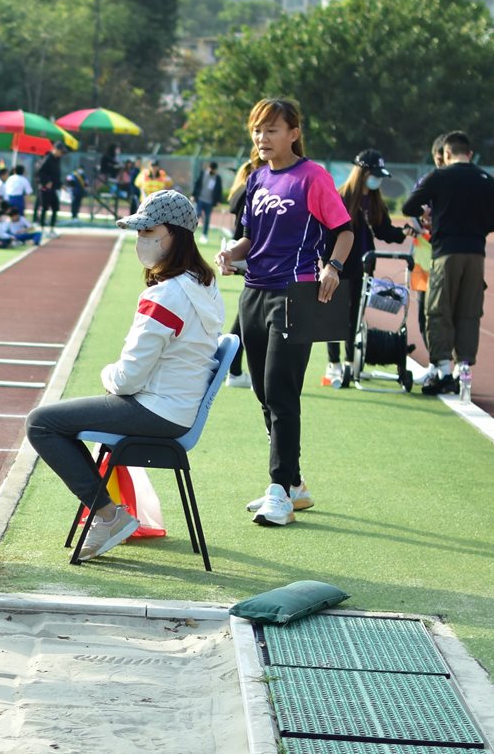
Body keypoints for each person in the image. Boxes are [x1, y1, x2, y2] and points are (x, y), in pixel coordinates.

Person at [26, 189, 223, 560]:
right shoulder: (206, 285)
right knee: (61, 418)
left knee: (41, 423)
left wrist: (107, 374)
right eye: (139, 232)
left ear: (176, 235)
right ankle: (107, 514)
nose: (141, 240)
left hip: (156, 410)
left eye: (149, 232)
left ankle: (108, 516)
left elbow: (126, 380)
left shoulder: (164, 297)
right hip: (180, 408)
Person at [215, 98, 354, 527]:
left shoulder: (313, 177)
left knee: (281, 393)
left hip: (295, 295)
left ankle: (279, 491)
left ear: (293, 134)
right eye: (258, 130)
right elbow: (249, 239)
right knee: (263, 393)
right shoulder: (256, 178)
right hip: (253, 294)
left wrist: (334, 267)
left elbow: (344, 231)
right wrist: (230, 254)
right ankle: (294, 484)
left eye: (272, 129)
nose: (262, 137)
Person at [401, 131, 494, 396]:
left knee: (438, 310)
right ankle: (463, 370)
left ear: (446, 153)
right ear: (470, 153)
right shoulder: (488, 180)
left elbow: (409, 206)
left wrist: (426, 212)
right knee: (469, 312)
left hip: (446, 252)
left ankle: (443, 371)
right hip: (476, 254)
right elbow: (492, 223)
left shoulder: (439, 176)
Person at [324, 150, 411, 388]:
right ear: (362, 173)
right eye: (375, 175)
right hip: (338, 265)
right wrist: (327, 264)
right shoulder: (340, 197)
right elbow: (328, 233)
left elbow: (384, 230)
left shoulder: (374, 201)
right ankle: (334, 364)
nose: (378, 180)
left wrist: (403, 232)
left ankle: (350, 361)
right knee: (334, 315)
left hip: (364, 267)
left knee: (355, 315)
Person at [220, 151, 269, 387]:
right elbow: (244, 232)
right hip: (253, 257)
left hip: (249, 256)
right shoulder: (254, 188)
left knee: (246, 314)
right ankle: (233, 369)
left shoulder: (243, 186)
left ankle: (233, 369)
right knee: (247, 317)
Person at [34, 149, 63, 230]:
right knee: (44, 208)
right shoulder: (45, 160)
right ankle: (42, 227)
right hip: (44, 189)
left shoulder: (56, 161)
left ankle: (51, 228)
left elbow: (56, 175)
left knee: (55, 208)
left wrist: (60, 184)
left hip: (53, 189)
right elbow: (39, 173)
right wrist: (46, 182)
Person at [194, 161, 224, 240]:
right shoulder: (202, 174)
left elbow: (219, 190)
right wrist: (193, 195)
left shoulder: (217, 178)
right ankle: (191, 231)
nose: (212, 170)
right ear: (208, 168)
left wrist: (218, 201)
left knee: (207, 218)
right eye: (211, 169)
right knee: (197, 214)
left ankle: (204, 235)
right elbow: (197, 184)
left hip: (209, 202)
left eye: (213, 169)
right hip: (200, 199)